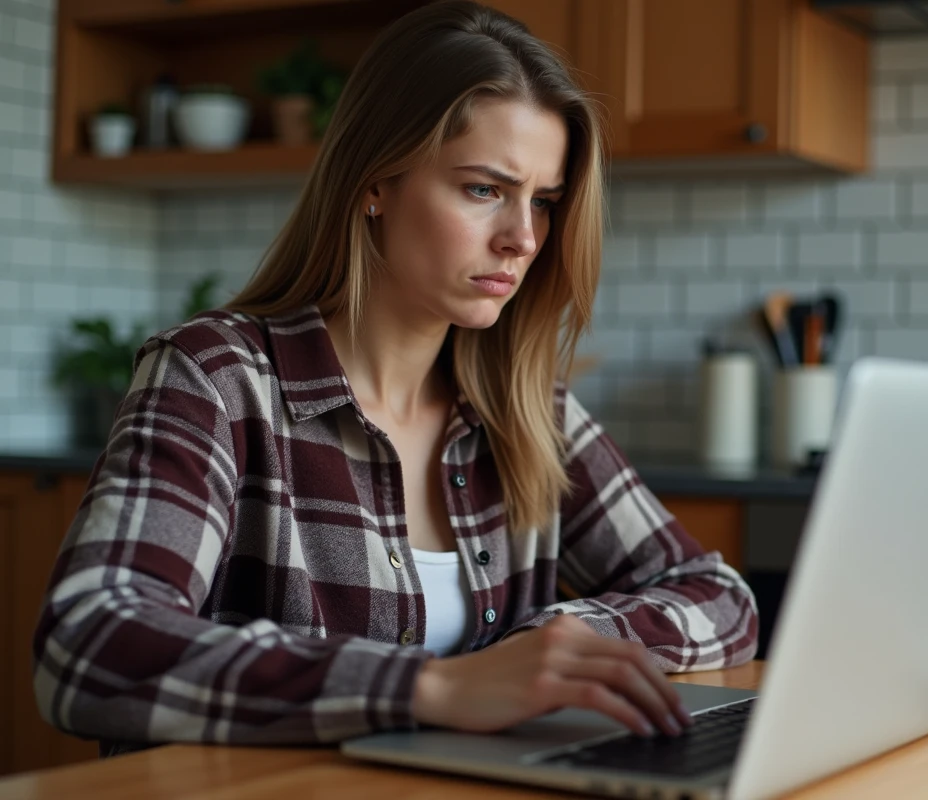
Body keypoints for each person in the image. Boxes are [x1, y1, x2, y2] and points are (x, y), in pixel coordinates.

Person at [32, 0, 758, 757]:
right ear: (375, 181)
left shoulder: (526, 408)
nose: (523, 238)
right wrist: (432, 689)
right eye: (484, 189)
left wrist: (564, 642)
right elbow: (89, 642)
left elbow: (722, 596)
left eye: (543, 201)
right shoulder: (215, 377)